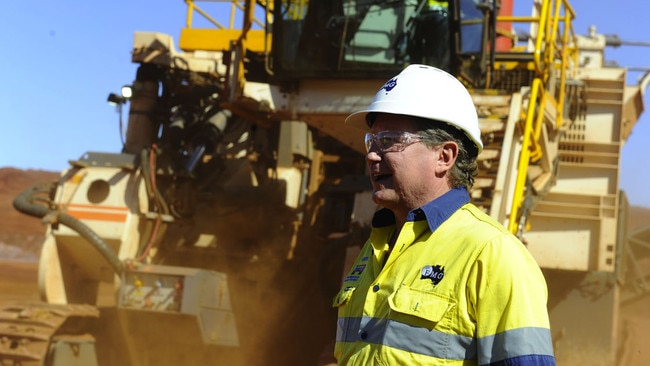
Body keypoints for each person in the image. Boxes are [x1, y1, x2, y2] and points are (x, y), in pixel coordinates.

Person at [333, 64, 556, 365]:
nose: (372, 155)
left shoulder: (492, 254)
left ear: (444, 156)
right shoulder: (377, 246)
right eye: (371, 142)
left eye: (389, 141)